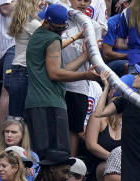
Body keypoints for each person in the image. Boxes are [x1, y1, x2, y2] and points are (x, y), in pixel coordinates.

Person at [24, 5, 100, 157]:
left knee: (42, 155)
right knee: (57, 156)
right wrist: (85, 75)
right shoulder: (52, 40)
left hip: (37, 104)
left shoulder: (39, 34)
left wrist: (84, 56)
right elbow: (55, 74)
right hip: (49, 106)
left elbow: (61, 68)